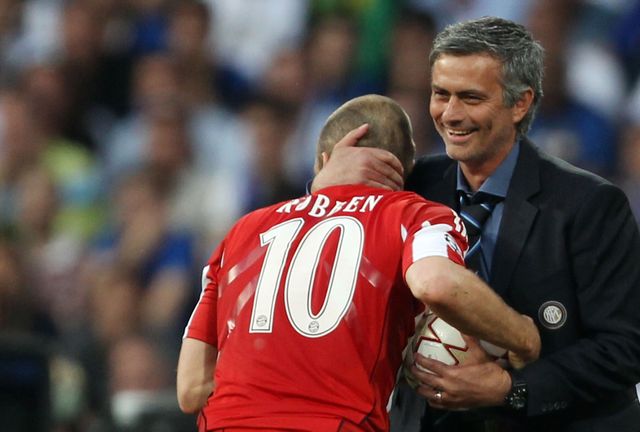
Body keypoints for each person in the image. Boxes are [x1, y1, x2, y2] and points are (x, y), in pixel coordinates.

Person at [313, 17, 640, 431]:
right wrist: (325, 186)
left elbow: (623, 351)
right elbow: (321, 260)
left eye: (471, 98)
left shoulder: (589, 205)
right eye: (441, 94)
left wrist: (511, 388)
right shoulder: (409, 188)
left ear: (520, 103)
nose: (450, 114)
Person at [176, 94, 541, 432]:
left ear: (324, 160)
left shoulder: (244, 231)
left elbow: (191, 388)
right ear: (404, 167)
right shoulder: (414, 214)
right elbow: (436, 283)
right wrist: (522, 336)